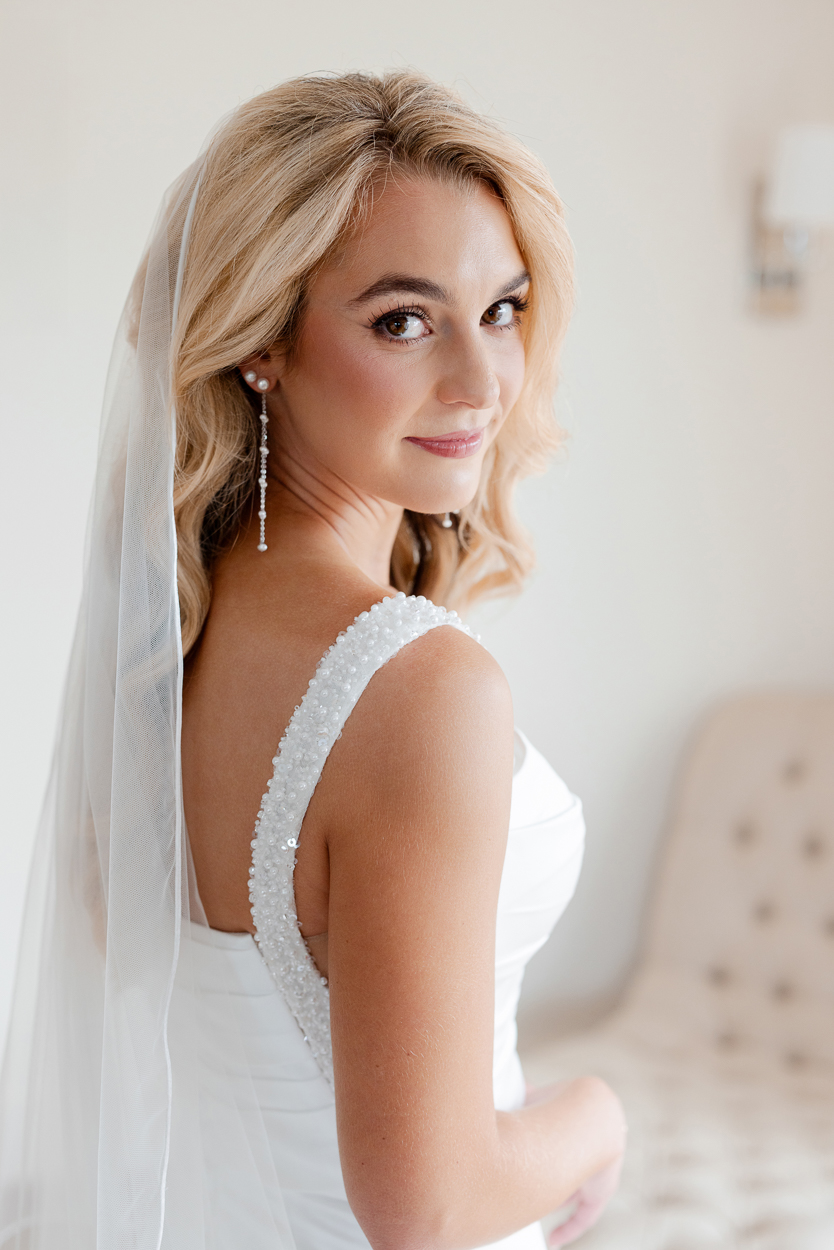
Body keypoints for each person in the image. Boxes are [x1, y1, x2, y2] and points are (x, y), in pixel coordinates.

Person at [0, 71, 625, 1250]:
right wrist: (597, 1114)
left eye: (503, 307)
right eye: (403, 319)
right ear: (260, 344)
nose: (484, 380)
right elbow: (425, 1206)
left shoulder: (174, 638)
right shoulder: (419, 688)